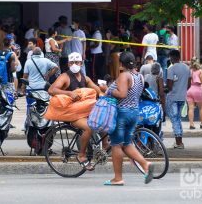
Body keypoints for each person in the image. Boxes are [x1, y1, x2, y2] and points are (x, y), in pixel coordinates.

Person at [104, 51, 154, 185]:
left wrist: (108, 89)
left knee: (116, 145)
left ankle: (118, 178)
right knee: (126, 144)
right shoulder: (140, 77)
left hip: (122, 113)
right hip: (134, 113)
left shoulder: (124, 76)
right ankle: (146, 164)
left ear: (121, 64)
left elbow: (122, 94)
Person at [48, 52, 102, 170]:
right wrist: (69, 93)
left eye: (76, 62)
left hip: (83, 111)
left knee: (104, 121)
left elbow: (96, 89)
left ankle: (103, 148)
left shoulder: (84, 77)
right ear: (68, 64)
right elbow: (51, 90)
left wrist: (105, 94)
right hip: (71, 113)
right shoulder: (65, 77)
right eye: (71, 62)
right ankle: (81, 155)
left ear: (81, 63)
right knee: (89, 127)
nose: (74, 65)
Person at [167, 50, 191, 149]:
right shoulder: (187, 68)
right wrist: (182, 89)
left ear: (172, 57)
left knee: (174, 119)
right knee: (178, 119)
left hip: (173, 97)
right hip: (183, 97)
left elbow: (169, 86)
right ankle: (179, 141)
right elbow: (189, 84)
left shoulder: (171, 69)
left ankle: (179, 143)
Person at [186, 57, 202, 129]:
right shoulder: (200, 71)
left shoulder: (189, 71)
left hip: (190, 90)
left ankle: (191, 124)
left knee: (191, 108)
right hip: (198, 89)